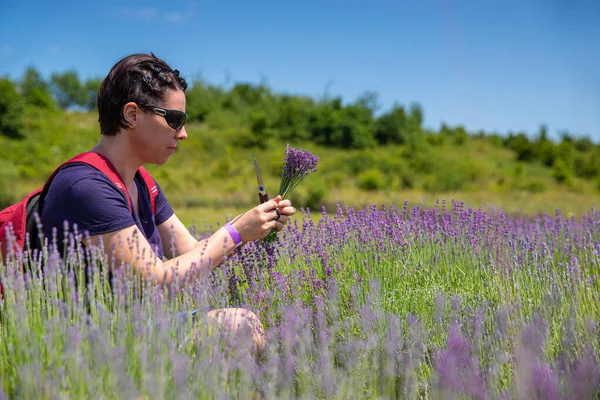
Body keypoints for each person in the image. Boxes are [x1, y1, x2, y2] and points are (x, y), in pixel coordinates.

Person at [39, 52, 295, 355]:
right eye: (174, 119)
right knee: (239, 327)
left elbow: (191, 253)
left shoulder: (141, 182)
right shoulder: (87, 187)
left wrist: (253, 226)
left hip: (131, 328)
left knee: (244, 326)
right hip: (82, 344)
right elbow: (156, 282)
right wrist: (236, 232)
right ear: (132, 115)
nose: (183, 133)